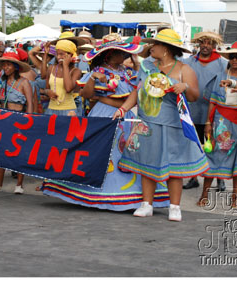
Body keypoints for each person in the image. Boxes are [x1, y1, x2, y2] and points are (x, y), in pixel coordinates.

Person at [42, 38, 170, 210]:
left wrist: (134, 61)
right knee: (103, 154)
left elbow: (135, 93)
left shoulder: (128, 72)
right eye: (119, 52)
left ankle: (127, 194)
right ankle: (97, 194)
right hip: (103, 116)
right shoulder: (98, 70)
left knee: (126, 153)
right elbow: (86, 94)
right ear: (110, 55)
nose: (123, 54)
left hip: (124, 117)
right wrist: (93, 78)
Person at [114, 29, 209, 221]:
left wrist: (185, 88)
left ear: (165, 49)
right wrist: (123, 109)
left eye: (155, 45)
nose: (151, 48)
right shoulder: (147, 66)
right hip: (148, 123)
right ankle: (146, 204)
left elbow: (195, 96)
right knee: (147, 163)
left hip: (173, 125)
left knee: (175, 167)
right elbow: (137, 91)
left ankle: (174, 207)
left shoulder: (184, 69)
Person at [197, 41, 237, 208]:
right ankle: (205, 194)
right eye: (232, 56)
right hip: (221, 122)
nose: (234, 60)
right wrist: (208, 122)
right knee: (213, 156)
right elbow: (212, 101)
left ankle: (235, 196)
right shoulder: (221, 76)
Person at [183, 32, 228, 192]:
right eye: (203, 43)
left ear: (214, 46)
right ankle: (193, 177)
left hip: (213, 112)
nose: (206, 46)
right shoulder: (188, 62)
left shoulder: (223, 63)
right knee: (193, 144)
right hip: (192, 110)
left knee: (214, 146)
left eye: (209, 43)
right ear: (198, 45)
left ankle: (220, 178)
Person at [0, 52, 34, 194]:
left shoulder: (24, 83)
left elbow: (30, 103)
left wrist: (29, 121)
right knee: (1, 152)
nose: (5, 67)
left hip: (19, 120)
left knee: (18, 151)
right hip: (3, 121)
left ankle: (19, 184)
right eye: (4, 65)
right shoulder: (1, 83)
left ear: (16, 67)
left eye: (8, 64)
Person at [43, 39, 82, 116]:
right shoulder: (52, 68)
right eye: (57, 54)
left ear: (70, 55)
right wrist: (48, 92)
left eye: (61, 54)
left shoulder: (76, 71)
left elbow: (68, 89)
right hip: (51, 109)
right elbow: (45, 84)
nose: (58, 57)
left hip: (69, 111)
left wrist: (65, 65)